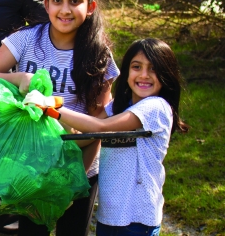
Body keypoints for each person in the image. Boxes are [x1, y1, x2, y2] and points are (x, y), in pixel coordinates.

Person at [0, 0, 120, 236]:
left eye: (75, 1)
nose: (65, 9)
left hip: (79, 166)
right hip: (29, 166)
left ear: (90, 7)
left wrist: (73, 180)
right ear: (46, 4)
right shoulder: (25, 40)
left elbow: (99, 124)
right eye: (57, 0)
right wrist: (16, 78)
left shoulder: (98, 54)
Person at [25, 38, 190, 236]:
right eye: (136, 67)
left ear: (167, 74)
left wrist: (52, 107)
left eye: (153, 69)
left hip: (138, 220)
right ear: (127, 71)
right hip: (110, 216)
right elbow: (86, 137)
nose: (144, 75)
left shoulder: (156, 107)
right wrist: (42, 135)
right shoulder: (119, 106)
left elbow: (101, 127)